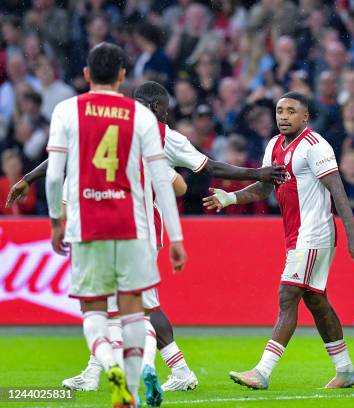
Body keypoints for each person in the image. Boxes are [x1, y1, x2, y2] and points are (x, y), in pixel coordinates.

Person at [7, 81, 287, 398]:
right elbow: (209, 168)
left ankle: (126, 371)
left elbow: (68, 153)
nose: (166, 116)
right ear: (155, 107)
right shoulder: (161, 134)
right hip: (134, 229)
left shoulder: (115, 125)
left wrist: (29, 178)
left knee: (116, 306)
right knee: (138, 304)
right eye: (165, 109)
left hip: (126, 230)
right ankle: (170, 370)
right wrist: (257, 174)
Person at [45, 42, 186, 407]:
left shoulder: (66, 111)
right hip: (133, 227)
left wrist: (55, 221)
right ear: (124, 75)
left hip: (87, 224)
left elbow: (53, 177)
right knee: (136, 310)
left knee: (94, 312)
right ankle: (135, 387)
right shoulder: (140, 117)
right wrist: (176, 236)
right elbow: (161, 179)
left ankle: (109, 368)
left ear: (87, 74)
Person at [204, 91, 354, 389]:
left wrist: (352, 235)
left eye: (291, 111)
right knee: (316, 300)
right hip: (295, 234)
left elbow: (338, 191)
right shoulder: (274, 146)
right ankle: (345, 370)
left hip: (315, 232)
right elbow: (263, 189)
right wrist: (229, 198)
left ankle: (262, 372)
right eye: (280, 110)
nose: (283, 116)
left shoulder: (316, 146)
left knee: (287, 295)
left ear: (305, 116)